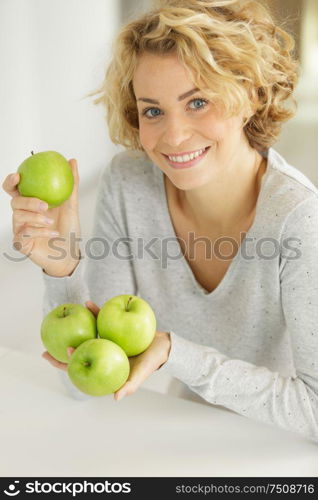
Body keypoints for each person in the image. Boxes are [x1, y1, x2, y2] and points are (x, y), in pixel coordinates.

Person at [2, 0, 318, 442]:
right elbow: (88, 384)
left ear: (250, 96)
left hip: (281, 449)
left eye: (199, 102)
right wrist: (62, 267)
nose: (173, 136)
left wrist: (177, 353)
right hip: (183, 438)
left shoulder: (298, 219)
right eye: (153, 110)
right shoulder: (131, 184)